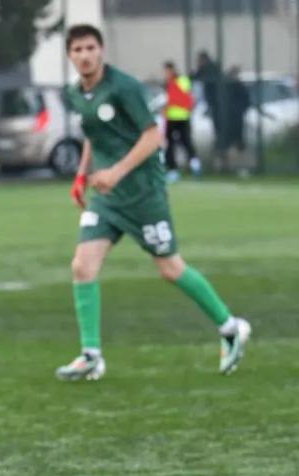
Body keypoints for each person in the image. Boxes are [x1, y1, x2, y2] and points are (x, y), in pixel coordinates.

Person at [57, 25, 251, 382]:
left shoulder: (124, 87)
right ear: (70, 55)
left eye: (90, 48)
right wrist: (82, 176)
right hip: (107, 199)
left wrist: (116, 172)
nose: (85, 55)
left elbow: (152, 138)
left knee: (170, 269)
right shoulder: (75, 93)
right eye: (78, 50)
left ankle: (230, 327)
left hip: (143, 194)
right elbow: (93, 135)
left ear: (101, 50)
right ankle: (91, 355)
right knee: (83, 266)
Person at [161, 61, 201, 181]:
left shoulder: (177, 82)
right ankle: (174, 169)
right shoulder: (173, 82)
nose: (165, 74)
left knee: (184, 142)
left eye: (166, 71)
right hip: (174, 117)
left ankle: (193, 165)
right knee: (173, 144)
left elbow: (182, 97)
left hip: (179, 117)